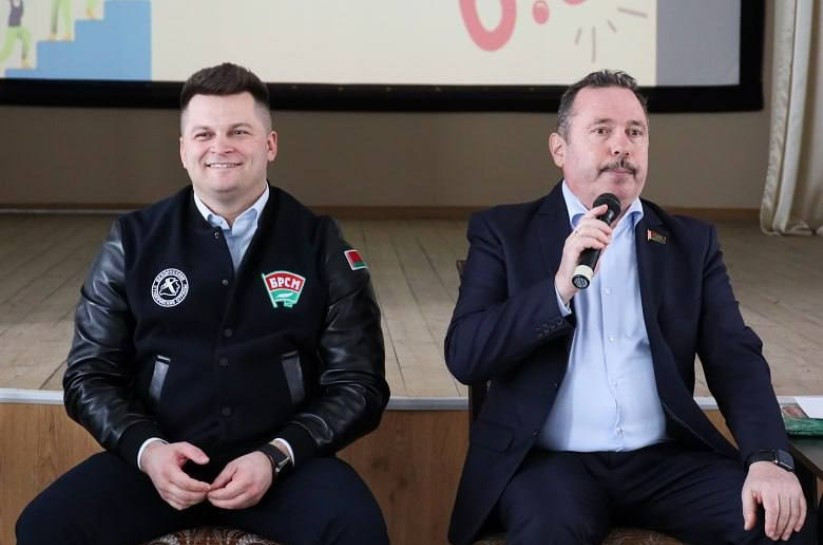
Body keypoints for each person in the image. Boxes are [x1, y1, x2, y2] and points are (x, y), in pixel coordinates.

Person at [16, 62, 390, 545]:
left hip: (282, 467)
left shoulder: (320, 243)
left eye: (239, 131)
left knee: (357, 529)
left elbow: (359, 383)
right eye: (204, 134)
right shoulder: (132, 241)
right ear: (183, 149)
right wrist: (148, 450)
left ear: (270, 144)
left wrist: (278, 454)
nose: (221, 146)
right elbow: (89, 374)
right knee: (44, 526)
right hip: (158, 468)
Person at [445, 70, 814, 545]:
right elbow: (466, 354)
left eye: (635, 132)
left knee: (782, 524)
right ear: (559, 148)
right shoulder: (503, 232)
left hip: (662, 462)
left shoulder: (689, 243)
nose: (621, 145)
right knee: (548, 533)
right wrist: (557, 290)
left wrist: (768, 458)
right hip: (549, 465)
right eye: (601, 130)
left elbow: (734, 358)